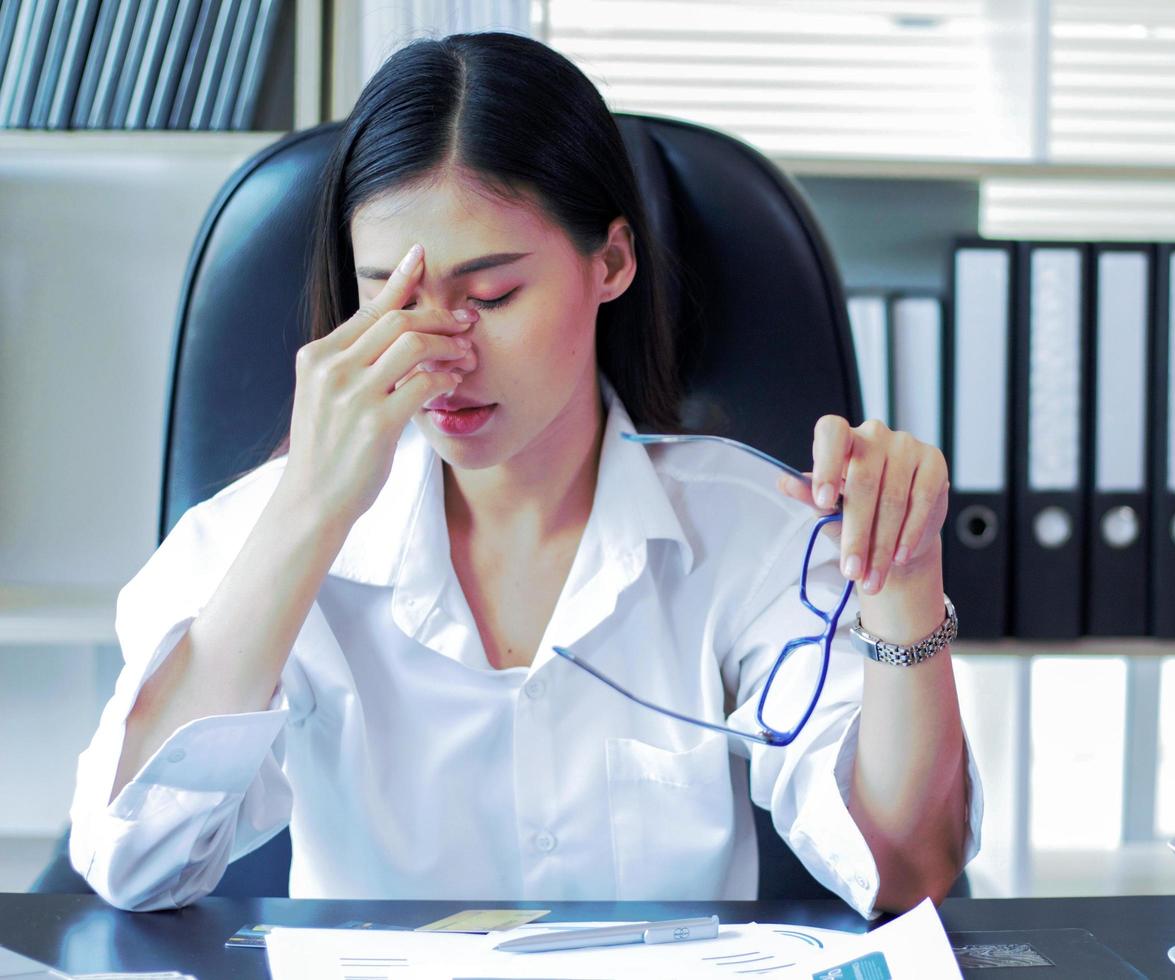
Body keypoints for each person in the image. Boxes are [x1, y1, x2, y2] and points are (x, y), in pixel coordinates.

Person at [67, 31, 984, 917]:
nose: (440, 354)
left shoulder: (744, 531)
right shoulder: (261, 532)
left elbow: (907, 872)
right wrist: (309, 511)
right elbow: (134, 865)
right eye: (389, 295)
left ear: (612, 261)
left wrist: (903, 583)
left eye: (492, 297)